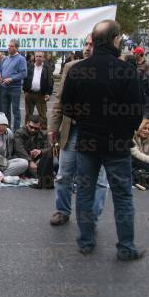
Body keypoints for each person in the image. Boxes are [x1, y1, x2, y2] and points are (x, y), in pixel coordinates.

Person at [61, 19, 145, 261]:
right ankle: (126, 247)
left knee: (85, 192)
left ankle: (86, 241)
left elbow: (67, 106)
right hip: (116, 143)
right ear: (115, 40)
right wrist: (123, 130)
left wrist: (86, 120)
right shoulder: (125, 70)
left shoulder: (78, 69)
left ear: (95, 42)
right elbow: (136, 110)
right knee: (122, 196)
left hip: (87, 140)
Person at [48, 35, 108, 227]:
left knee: (98, 180)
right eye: (86, 44)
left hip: (99, 133)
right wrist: (53, 127)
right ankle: (62, 210)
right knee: (64, 175)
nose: (88, 48)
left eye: (92, 44)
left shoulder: (112, 68)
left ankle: (92, 216)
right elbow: (60, 100)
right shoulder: (71, 67)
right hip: (72, 130)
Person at [0, 112, 28, 180]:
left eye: (3, 131)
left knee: (24, 163)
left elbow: (9, 152)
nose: (1, 133)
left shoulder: (8, 133)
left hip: (2, 163)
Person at [13, 115, 54, 189]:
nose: (33, 130)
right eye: (31, 127)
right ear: (27, 123)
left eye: (36, 128)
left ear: (40, 127)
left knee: (55, 163)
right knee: (23, 164)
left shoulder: (43, 134)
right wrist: (30, 161)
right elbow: (19, 149)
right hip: (23, 157)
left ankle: (37, 174)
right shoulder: (19, 133)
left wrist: (40, 151)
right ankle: (35, 174)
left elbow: (49, 148)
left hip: (37, 158)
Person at [0, 39, 27, 130]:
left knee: (15, 111)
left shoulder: (21, 59)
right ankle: (7, 130)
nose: (9, 48)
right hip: (4, 87)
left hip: (15, 88)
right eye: (9, 46)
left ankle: (16, 131)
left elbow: (23, 73)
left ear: (17, 48)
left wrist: (12, 79)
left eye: (11, 46)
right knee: (5, 111)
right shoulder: (5, 58)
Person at [22, 51, 53, 129]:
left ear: (43, 58)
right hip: (29, 94)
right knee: (28, 114)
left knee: (43, 115)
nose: (38, 58)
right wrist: (25, 91)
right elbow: (25, 79)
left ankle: (43, 133)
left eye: (40, 56)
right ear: (34, 57)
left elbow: (50, 82)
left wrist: (48, 93)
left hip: (41, 94)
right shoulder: (30, 67)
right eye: (37, 56)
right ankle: (27, 131)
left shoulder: (47, 68)